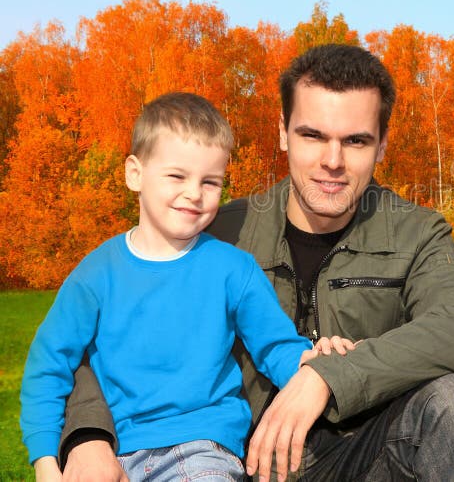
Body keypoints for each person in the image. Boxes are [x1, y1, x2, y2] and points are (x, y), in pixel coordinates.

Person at [58, 44, 454, 481]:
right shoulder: (215, 231)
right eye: (312, 135)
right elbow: (86, 337)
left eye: (356, 141)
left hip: (368, 453)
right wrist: (88, 435)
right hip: (232, 461)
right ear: (282, 131)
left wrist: (328, 377)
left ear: (382, 145)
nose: (332, 161)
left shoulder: (417, 232)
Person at [20, 92, 316, 481]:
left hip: (203, 447)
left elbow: (275, 345)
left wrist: (313, 366)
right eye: (177, 176)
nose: (194, 193)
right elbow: (49, 364)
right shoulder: (95, 274)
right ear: (135, 174)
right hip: (117, 453)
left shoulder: (232, 268)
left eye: (210, 182)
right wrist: (45, 462)